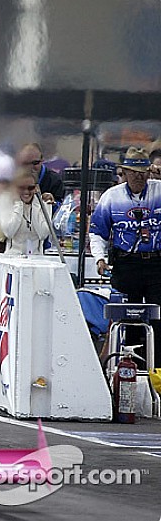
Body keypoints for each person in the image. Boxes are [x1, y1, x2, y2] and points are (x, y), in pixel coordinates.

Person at [90, 146, 161, 366]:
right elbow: (97, 232)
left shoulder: (159, 190)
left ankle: (158, 369)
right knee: (128, 317)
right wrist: (100, 259)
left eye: (143, 173)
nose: (139, 177)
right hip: (126, 264)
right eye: (133, 172)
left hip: (156, 264)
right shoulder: (112, 196)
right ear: (124, 172)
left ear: (150, 172)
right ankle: (131, 367)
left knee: (159, 319)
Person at [0, 167, 52, 256]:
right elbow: (9, 232)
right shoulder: (5, 201)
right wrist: (19, 203)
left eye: (31, 188)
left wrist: (35, 204)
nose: (26, 191)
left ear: (36, 187)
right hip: (12, 258)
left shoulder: (44, 202)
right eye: (22, 188)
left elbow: (43, 234)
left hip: (36, 259)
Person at [16, 142, 65, 207]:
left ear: (42, 160)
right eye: (26, 163)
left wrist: (52, 203)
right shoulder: (14, 179)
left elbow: (63, 209)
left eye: (35, 163)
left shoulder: (55, 180)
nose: (30, 167)